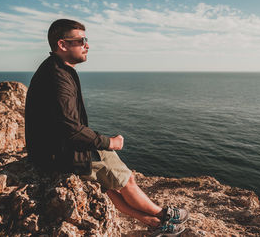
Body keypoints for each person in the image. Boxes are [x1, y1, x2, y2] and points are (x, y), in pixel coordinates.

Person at [25, 19, 188, 236]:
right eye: (81, 40)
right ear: (62, 45)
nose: (87, 45)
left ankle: (154, 223)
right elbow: (71, 130)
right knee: (125, 178)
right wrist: (109, 142)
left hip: (47, 152)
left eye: (86, 40)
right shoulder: (57, 78)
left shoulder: (54, 69)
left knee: (109, 185)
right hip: (60, 154)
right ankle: (164, 215)